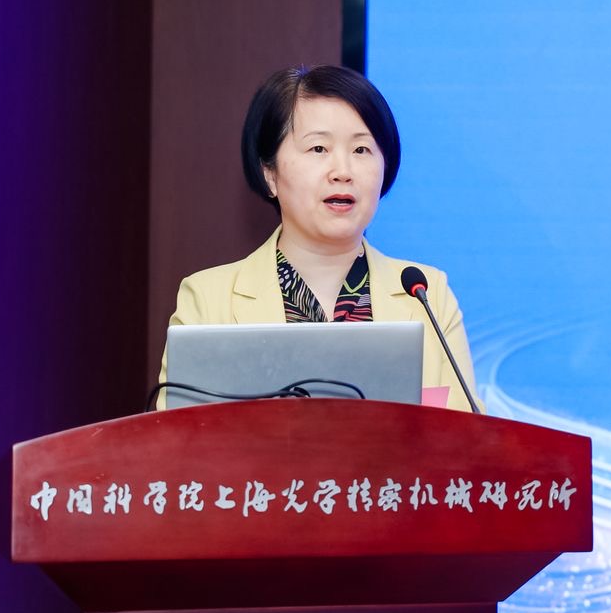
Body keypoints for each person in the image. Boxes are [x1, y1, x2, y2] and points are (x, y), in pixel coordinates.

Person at [159, 65, 477, 411]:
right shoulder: (208, 301)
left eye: (361, 150)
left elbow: (466, 437)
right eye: (318, 149)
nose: (343, 171)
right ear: (270, 174)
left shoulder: (427, 295)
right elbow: (178, 441)